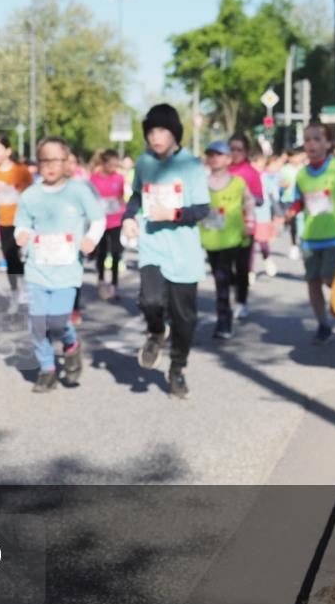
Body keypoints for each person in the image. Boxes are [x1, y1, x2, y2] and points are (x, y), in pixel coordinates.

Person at [121, 104, 210, 399]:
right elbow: (135, 195)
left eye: (162, 130)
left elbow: (202, 209)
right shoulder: (144, 163)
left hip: (183, 252)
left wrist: (172, 214)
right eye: (151, 131)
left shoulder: (191, 166)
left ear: (175, 134)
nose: (156, 137)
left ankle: (178, 368)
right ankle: (156, 332)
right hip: (152, 247)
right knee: (150, 301)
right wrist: (129, 218)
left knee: (185, 318)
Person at [14, 138, 104, 392]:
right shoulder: (31, 195)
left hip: (66, 270)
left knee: (58, 321)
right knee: (37, 323)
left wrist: (91, 239)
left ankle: (72, 345)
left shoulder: (77, 191)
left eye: (56, 160)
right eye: (45, 160)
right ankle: (47, 369)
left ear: (66, 163)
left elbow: (98, 219)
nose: (51, 165)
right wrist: (21, 233)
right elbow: (22, 222)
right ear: (38, 164)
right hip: (37, 267)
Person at [284, 123, 335, 344]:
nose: (311, 143)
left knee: (329, 278)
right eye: (307, 139)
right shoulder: (301, 175)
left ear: (328, 143)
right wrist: (290, 212)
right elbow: (299, 201)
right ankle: (323, 324)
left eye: (316, 139)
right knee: (313, 282)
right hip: (310, 237)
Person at [200, 141, 255, 339]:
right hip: (210, 238)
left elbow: (249, 203)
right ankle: (225, 314)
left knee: (223, 279)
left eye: (218, 154)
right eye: (210, 154)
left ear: (228, 159)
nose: (214, 158)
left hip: (233, 238)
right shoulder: (201, 183)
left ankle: (224, 320)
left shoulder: (237, 182)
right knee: (220, 277)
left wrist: (249, 224)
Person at [0, 133, 33, 313]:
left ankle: (27, 289)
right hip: (3, 221)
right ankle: (15, 293)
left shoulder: (20, 171)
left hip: (22, 221)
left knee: (24, 256)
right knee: (10, 257)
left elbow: (31, 193)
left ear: (8, 151)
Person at [227, 134, 263, 318]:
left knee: (242, 267)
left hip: (244, 227)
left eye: (239, 149)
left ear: (247, 152)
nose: (234, 153)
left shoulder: (251, 172)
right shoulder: (221, 170)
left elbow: (260, 199)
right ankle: (229, 295)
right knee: (223, 267)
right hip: (222, 227)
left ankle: (241, 301)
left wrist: (244, 198)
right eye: (231, 149)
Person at [90, 149, 126, 301]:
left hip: (116, 219)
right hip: (100, 221)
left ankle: (114, 284)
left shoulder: (119, 178)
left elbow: (121, 197)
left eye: (115, 164)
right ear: (103, 163)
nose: (113, 167)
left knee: (117, 252)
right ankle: (101, 280)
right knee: (102, 252)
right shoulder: (94, 179)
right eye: (110, 164)